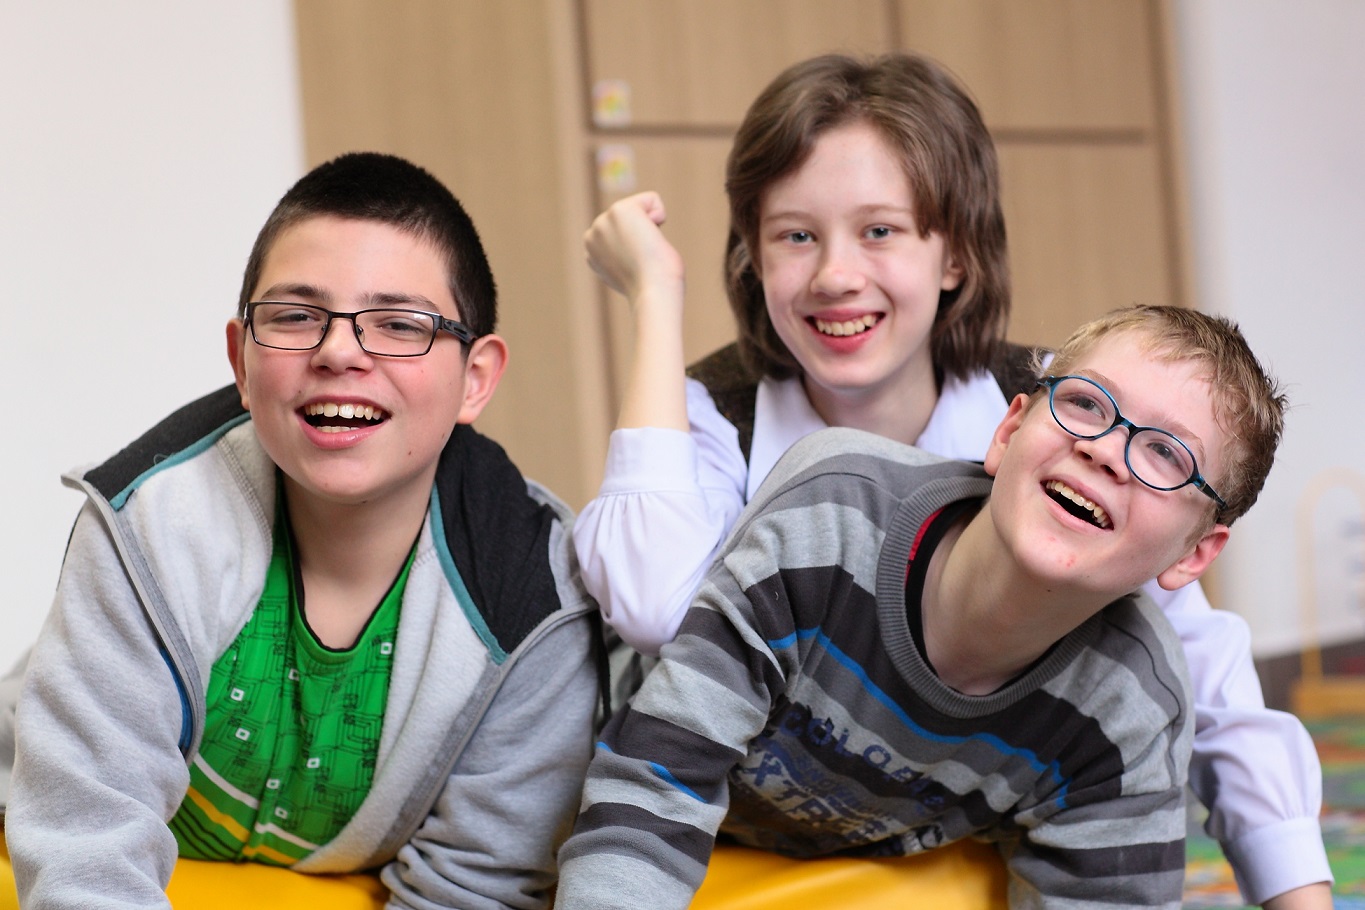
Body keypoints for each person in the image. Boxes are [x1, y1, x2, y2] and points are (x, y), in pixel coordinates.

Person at [572, 53, 1331, 906]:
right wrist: (655, 298)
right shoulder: (715, 414)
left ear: (955, 257)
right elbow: (652, 611)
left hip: (924, 813)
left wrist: (1296, 892)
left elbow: (1199, 674)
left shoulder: (1060, 419)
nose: (834, 275)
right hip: (718, 801)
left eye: (879, 231)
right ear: (751, 257)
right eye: (794, 236)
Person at [0, 152, 599, 909]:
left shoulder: (533, 601)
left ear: (475, 379)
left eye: (399, 324)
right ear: (241, 362)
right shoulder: (147, 518)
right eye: (294, 317)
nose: (339, 352)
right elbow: (84, 846)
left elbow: (476, 885)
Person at [556, 304, 1285, 908]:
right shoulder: (830, 518)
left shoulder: (1130, 702)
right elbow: (656, 784)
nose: (1104, 450)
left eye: (1165, 454)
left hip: (864, 849)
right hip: (622, 768)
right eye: (1086, 404)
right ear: (1008, 431)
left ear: (1193, 554)